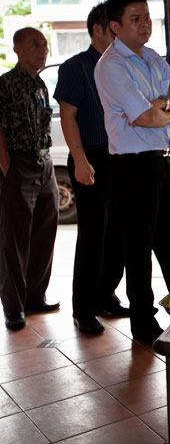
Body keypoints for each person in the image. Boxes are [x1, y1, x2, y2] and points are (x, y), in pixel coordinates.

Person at [95, 0, 170, 345]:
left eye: (147, 17)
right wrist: (164, 109)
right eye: (135, 19)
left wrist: (163, 103)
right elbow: (146, 117)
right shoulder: (111, 66)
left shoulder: (151, 57)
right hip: (132, 169)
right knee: (138, 248)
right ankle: (143, 324)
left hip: (162, 163)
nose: (145, 25)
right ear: (115, 26)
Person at [54, 2, 129, 336]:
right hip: (91, 157)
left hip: (119, 157)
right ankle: (83, 309)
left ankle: (106, 296)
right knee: (92, 237)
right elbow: (67, 117)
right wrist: (80, 161)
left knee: (118, 233)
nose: (117, 33)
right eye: (112, 27)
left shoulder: (120, 66)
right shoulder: (75, 67)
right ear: (97, 29)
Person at [0, 27, 60, 330]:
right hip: (18, 165)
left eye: (44, 44)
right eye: (35, 44)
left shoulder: (40, 85)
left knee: (45, 231)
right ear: (18, 50)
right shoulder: (6, 84)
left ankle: (35, 295)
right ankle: (14, 306)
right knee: (14, 239)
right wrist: (6, 165)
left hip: (44, 161)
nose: (42, 49)